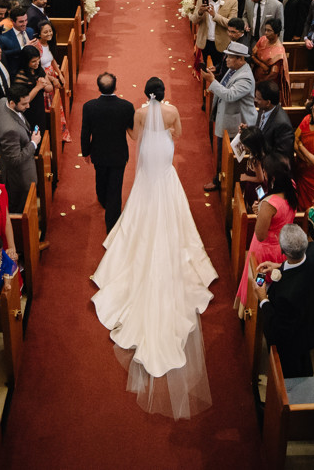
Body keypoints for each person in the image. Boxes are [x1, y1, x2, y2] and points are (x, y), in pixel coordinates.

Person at [92, 77, 216, 419]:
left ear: (146, 93)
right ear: (165, 94)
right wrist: (165, 134)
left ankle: (137, 223)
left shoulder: (140, 112)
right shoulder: (174, 111)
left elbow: (133, 136)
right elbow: (177, 134)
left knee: (144, 182)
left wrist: (147, 132)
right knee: (165, 180)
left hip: (148, 150)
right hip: (163, 150)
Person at [254, 224, 314, 378]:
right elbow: (304, 268)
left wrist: (263, 298)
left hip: (292, 337)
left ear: (282, 250)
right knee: (304, 359)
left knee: (292, 370)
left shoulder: (286, 293)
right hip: (312, 320)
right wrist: (279, 266)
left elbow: (276, 329)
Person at [234, 154, 295, 311]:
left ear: (272, 176)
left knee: (259, 282)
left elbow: (260, 235)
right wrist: (261, 210)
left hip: (264, 254)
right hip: (282, 249)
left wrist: (260, 212)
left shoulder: (270, 204)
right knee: (275, 282)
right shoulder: (292, 187)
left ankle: (253, 312)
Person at [80, 72, 136, 231]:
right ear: (115, 86)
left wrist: (85, 152)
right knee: (115, 189)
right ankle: (112, 226)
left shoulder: (89, 107)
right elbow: (132, 127)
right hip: (118, 153)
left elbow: (85, 132)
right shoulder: (126, 106)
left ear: (98, 88)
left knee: (101, 177)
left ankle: (103, 199)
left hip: (99, 152)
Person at [201, 41, 254, 192]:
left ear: (241, 59)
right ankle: (220, 179)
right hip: (226, 115)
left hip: (236, 122)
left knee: (228, 156)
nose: (226, 59)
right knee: (222, 152)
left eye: (230, 57)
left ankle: (224, 184)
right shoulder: (234, 69)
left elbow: (230, 95)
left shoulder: (245, 78)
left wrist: (211, 81)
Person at [0, 82, 43, 209]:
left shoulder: (2, 101)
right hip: (20, 176)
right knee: (21, 206)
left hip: (16, 156)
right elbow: (14, 160)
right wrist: (33, 143)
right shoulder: (10, 129)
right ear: (12, 103)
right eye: (24, 104)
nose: (28, 106)